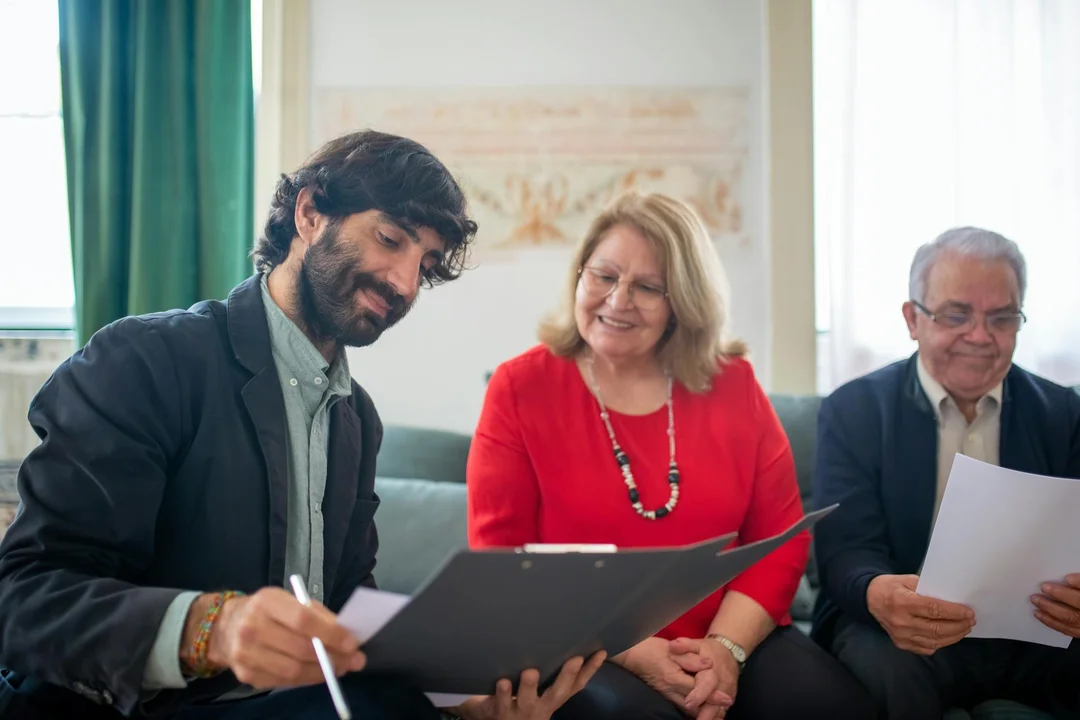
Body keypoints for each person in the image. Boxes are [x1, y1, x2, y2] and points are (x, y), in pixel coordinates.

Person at [0, 130, 602, 720]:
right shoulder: (145, 360)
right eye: (390, 238)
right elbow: (22, 596)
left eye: (426, 263)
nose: (404, 282)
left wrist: (456, 700)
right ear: (310, 213)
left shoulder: (356, 419)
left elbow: (348, 619)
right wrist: (212, 627)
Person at [466, 190, 878, 720]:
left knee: (830, 707)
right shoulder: (520, 388)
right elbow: (505, 562)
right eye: (604, 276)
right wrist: (637, 655)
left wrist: (725, 652)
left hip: (728, 634)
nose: (617, 301)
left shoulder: (733, 384)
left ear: (682, 302)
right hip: (585, 644)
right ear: (579, 276)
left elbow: (780, 539)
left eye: (647, 287)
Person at [811, 227, 1080, 719]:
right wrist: (877, 592)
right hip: (898, 629)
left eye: (1001, 317)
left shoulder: (1064, 414)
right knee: (887, 667)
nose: (980, 336)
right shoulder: (854, 410)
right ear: (913, 319)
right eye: (956, 314)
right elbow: (845, 550)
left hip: (1033, 632)